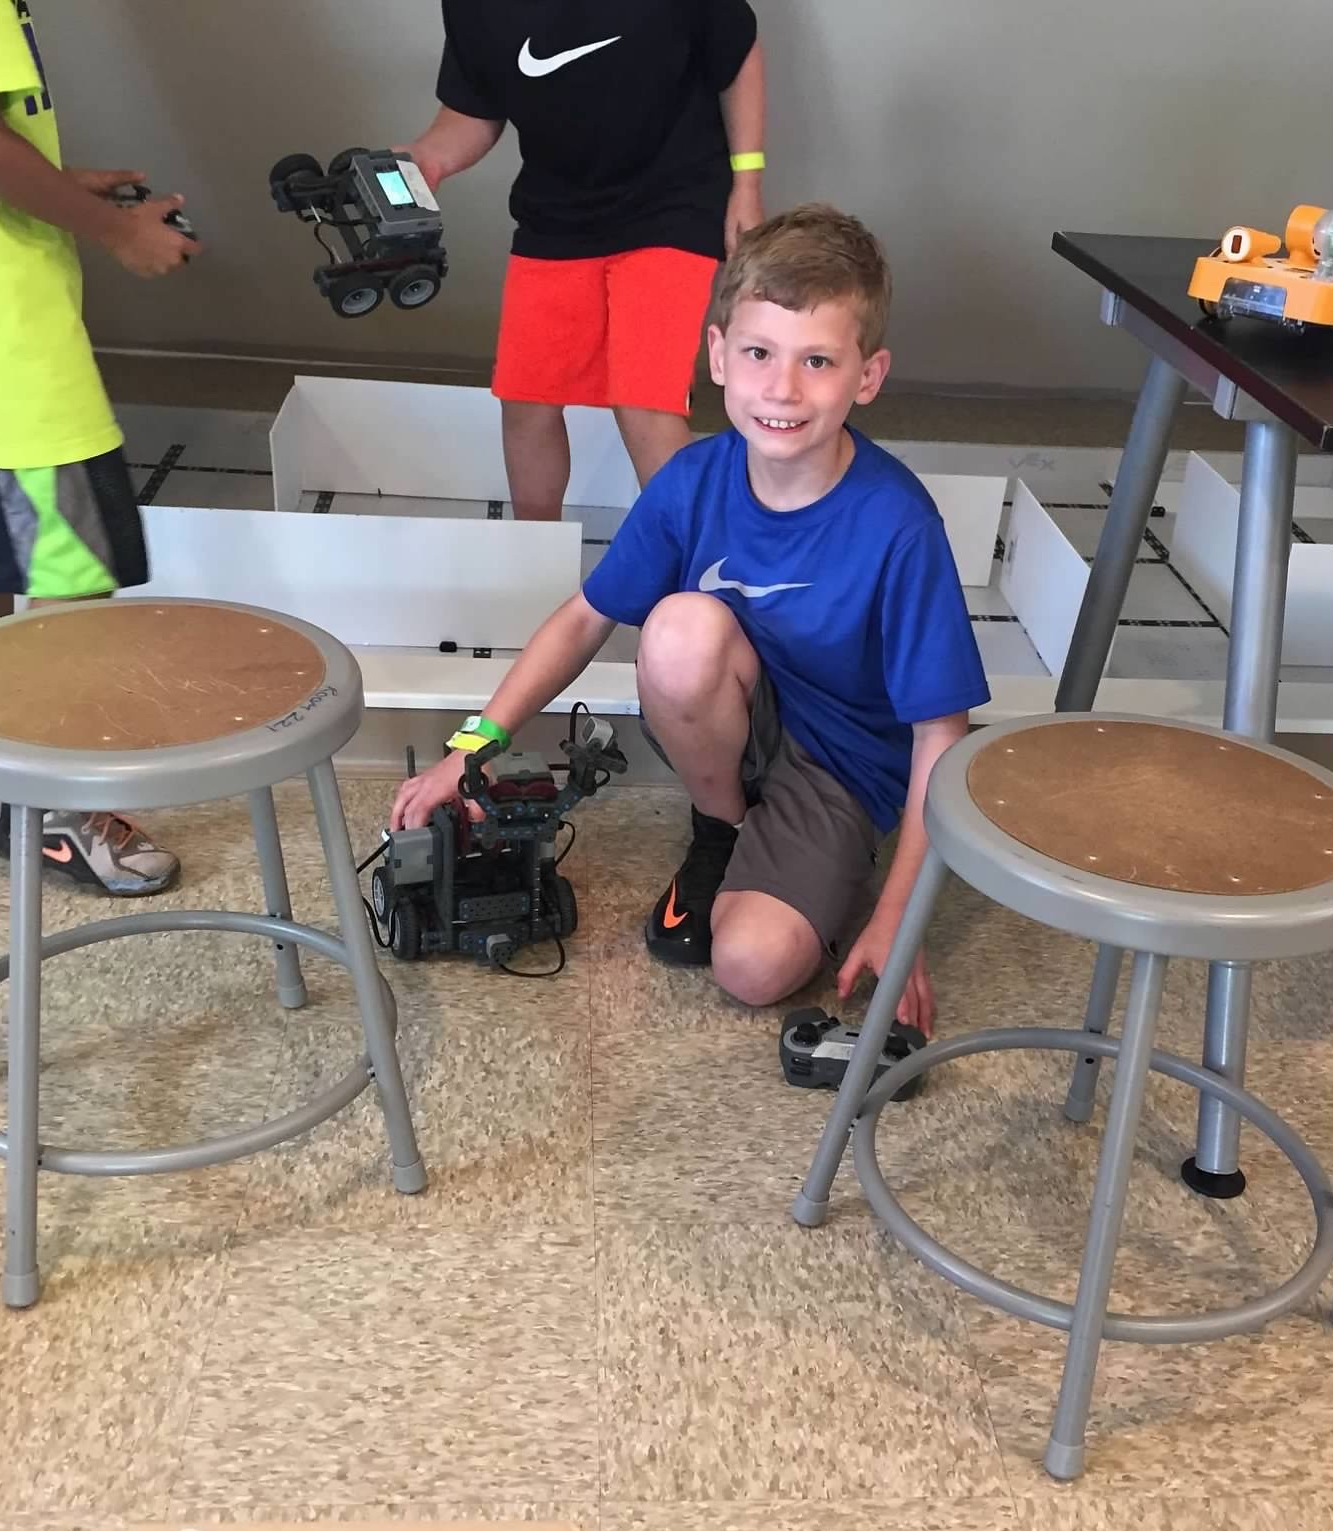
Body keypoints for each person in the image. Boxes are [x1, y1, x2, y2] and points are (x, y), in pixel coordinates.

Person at [393, 204, 991, 1034]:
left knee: (750, 968)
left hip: (843, 764)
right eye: (758, 353)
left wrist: (900, 920)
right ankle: (723, 829)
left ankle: (823, 864)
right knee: (677, 628)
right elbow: (583, 619)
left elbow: (941, 738)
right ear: (717, 356)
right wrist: (472, 746)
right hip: (746, 713)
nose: (782, 389)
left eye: (817, 360)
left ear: (868, 376)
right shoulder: (692, 481)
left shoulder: (898, 525)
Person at [0, 0, 198, 896]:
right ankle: (54, 815)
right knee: (73, 581)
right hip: (9, 349)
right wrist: (116, 230)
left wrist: (61, 184)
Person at [404, 0, 767, 518]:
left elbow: (738, 54)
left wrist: (747, 183)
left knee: (646, 401)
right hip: (555, 216)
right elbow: (473, 109)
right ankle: (536, 558)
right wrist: (429, 160)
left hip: (674, 202)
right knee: (525, 400)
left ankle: (693, 570)